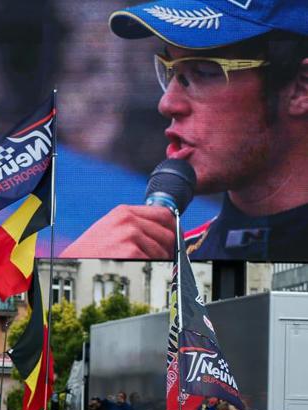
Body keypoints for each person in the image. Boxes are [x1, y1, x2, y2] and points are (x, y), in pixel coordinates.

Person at [63, 0, 308, 261]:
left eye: (203, 71)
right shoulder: (161, 271)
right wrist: (74, 287)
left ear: (300, 89)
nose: (167, 103)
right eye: (169, 72)